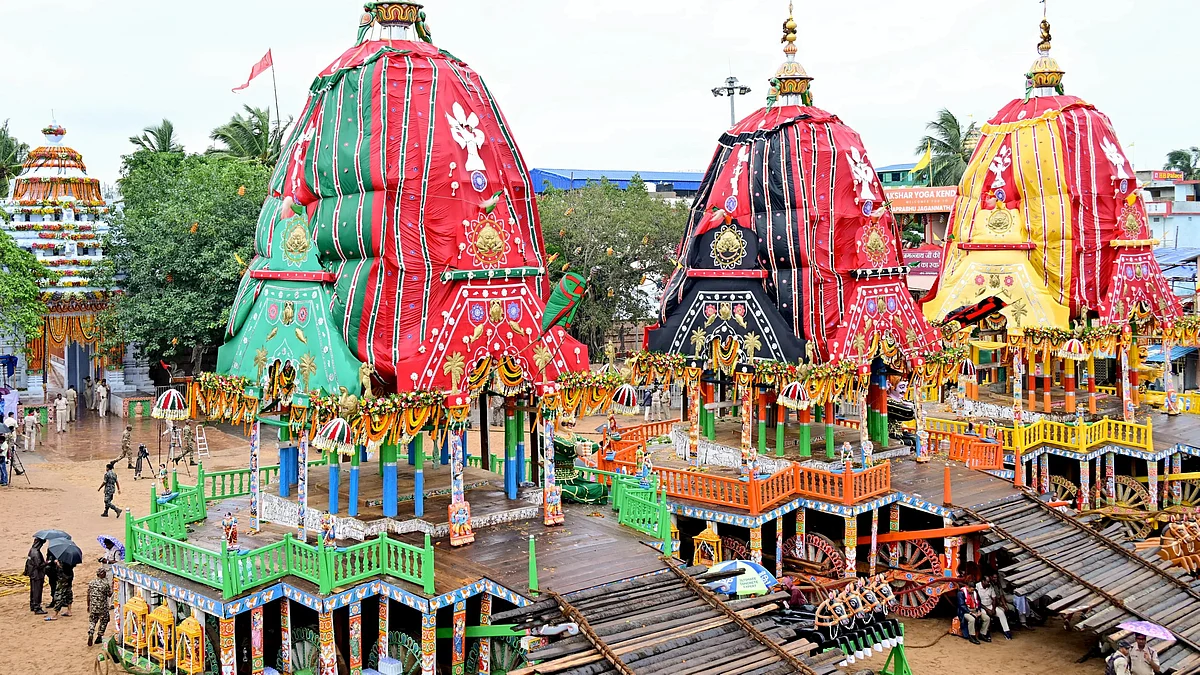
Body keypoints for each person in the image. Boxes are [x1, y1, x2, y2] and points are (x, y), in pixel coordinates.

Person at [86, 567, 112, 646]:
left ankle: (91, 632)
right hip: (102, 607)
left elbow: (88, 595)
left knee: (92, 620)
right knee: (104, 620)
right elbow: (109, 594)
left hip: (93, 606)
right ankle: (99, 636)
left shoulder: (91, 583)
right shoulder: (105, 584)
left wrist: (88, 605)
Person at [25, 537, 47, 614]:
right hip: (37, 575)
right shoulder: (36, 553)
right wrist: (47, 563)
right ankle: (37, 607)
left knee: (33, 590)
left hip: (32, 574)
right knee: (37, 591)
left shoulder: (31, 550)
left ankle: (33, 605)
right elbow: (39, 565)